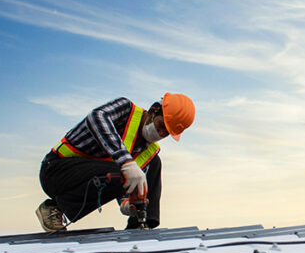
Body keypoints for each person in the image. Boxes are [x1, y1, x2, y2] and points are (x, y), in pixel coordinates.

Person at [35, 93, 195, 232]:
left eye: (166, 133)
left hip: (94, 176)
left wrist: (127, 203)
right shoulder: (126, 110)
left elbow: (123, 180)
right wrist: (126, 162)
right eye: (161, 126)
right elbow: (96, 117)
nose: (160, 134)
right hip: (56, 171)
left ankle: (141, 224)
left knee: (154, 163)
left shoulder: (148, 151)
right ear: (153, 111)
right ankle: (54, 207)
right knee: (122, 168)